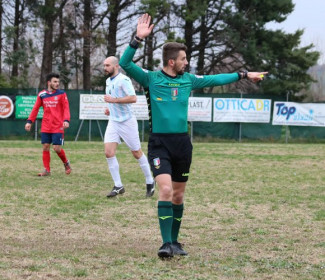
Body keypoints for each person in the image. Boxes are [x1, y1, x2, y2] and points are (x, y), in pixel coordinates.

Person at [119, 13, 268, 258]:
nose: (186, 62)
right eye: (183, 59)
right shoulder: (151, 79)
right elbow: (125, 64)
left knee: (178, 194)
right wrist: (137, 38)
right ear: (171, 62)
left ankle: (175, 242)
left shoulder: (188, 80)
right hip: (159, 143)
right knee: (165, 190)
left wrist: (244, 74)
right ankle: (165, 244)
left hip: (182, 144)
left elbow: (217, 78)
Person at [103, 56, 155, 198]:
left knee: (136, 153)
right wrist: (109, 107)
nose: (105, 68)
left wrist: (114, 101)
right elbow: (111, 98)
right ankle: (118, 185)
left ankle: (150, 181)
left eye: (107, 65)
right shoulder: (108, 81)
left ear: (116, 66)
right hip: (113, 121)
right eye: (104, 65)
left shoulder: (124, 80)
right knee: (109, 152)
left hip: (127, 121)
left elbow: (133, 98)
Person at [25, 73, 72, 176]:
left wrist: (66, 120)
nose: (57, 84)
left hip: (58, 125)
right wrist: (29, 121)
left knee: (57, 148)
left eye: (58, 82)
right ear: (49, 82)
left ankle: (66, 163)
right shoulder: (42, 95)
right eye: (55, 82)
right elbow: (35, 108)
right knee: (45, 146)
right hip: (46, 125)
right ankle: (47, 170)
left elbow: (66, 108)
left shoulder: (62, 94)